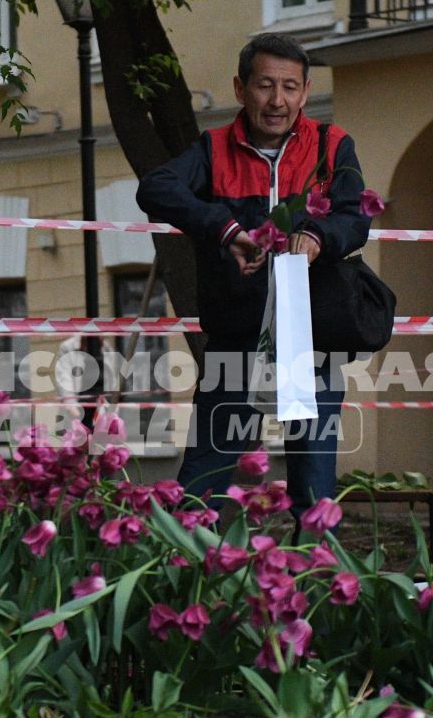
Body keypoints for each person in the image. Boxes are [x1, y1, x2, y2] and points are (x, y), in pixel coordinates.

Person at [135, 33, 370, 512]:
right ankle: (190, 583)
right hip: (236, 341)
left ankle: (316, 583)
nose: (277, 100)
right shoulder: (214, 149)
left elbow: (356, 216)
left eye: (289, 87)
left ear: (305, 93)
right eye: (265, 85)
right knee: (204, 484)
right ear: (241, 89)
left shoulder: (333, 145)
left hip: (311, 342)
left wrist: (319, 237)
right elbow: (155, 188)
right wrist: (223, 228)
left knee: (314, 490)